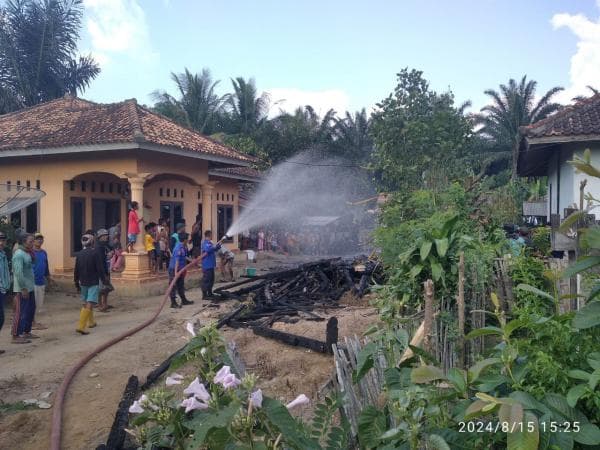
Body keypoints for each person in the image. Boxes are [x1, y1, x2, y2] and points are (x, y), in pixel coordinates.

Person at [74, 233, 108, 334]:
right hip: (93, 281)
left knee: (86, 301)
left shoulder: (79, 254)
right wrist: (104, 280)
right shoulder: (95, 253)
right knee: (90, 302)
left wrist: (76, 281)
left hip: (82, 281)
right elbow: (100, 268)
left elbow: (76, 270)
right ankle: (81, 326)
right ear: (92, 242)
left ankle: (91, 322)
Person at [11, 232, 37, 344]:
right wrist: (23, 288)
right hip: (22, 288)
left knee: (30, 310)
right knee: (20, 312)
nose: (33, 243)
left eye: (33, 241)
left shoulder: (28, 252)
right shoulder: (19, 254)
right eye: (30, 241)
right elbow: (18, 272)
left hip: (30, 287)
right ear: (23, 241)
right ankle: (16, 335)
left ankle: (26, 331)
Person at [168, 232, 193, 308]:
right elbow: (177, 261)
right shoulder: (178, 248)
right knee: (173, 286)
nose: (188, 241)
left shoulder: (183, 247)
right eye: (187, 239)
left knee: (180, 285)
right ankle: (173, 303)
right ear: (185, 240)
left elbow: (185, 257)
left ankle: (184, 300)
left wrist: (193, 261)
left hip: (181, 269)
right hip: (174, 269)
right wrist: (176, 273)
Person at [31, 233, 49, 330]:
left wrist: (48, 279)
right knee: (32, 303)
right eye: (38, 239)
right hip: (32, 281)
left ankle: (33, 321)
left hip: (41, 281)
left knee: (38, 304)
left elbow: (46, 267)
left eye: (41, 238)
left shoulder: (44, 252)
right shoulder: (30, 252)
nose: (40, 240)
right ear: (33, 240)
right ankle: (32, 322)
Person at [95, 229, 114, 312]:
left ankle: (105, 303)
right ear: (100, 237)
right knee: (100, 289)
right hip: (101, 271)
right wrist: (108, 256)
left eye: (107, 235)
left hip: (107, 269)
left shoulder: (105, 245)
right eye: (105, 235)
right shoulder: (98, 247)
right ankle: (99, 305)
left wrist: (111, 253)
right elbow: (99, 261)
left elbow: (112, 248)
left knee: (106, 288)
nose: (107, 236)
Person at [201, 230, 222, 299]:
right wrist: (214, 246)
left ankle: (210, 293)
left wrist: (219, 245)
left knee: (211, 280)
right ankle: (204, 295)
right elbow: (208, 250)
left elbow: (214, 249)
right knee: (206, 280)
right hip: (207, 265)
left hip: (211, 265)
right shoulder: (205, 243)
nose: (212, 236)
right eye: (211, 235)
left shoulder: (210, 243)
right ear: (208, 235)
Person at [0, 231, 11, 353]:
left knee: (1, 318)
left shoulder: (3, 254)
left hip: (3, 289)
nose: (1, 242)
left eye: (3, 240)